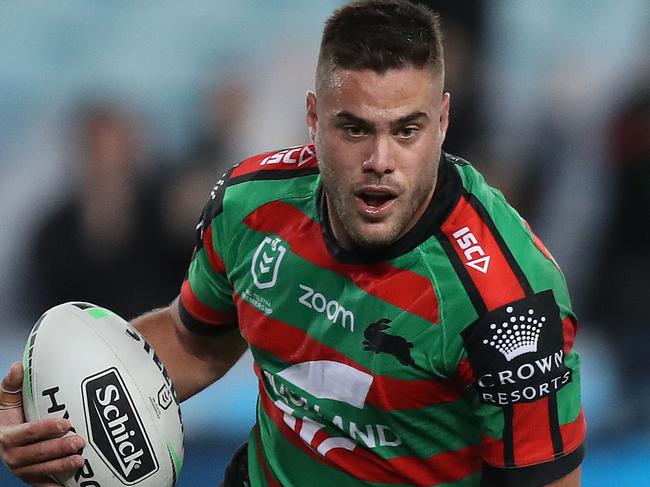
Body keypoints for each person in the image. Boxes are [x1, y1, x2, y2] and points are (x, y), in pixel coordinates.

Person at [0, 1, 585, 486]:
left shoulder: (508, 308)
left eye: (406, 130)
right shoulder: (252, 206)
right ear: (313, 117)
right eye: (354, 128)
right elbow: (191, 342)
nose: (380, 162)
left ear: (443, 121)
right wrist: (48, 413)